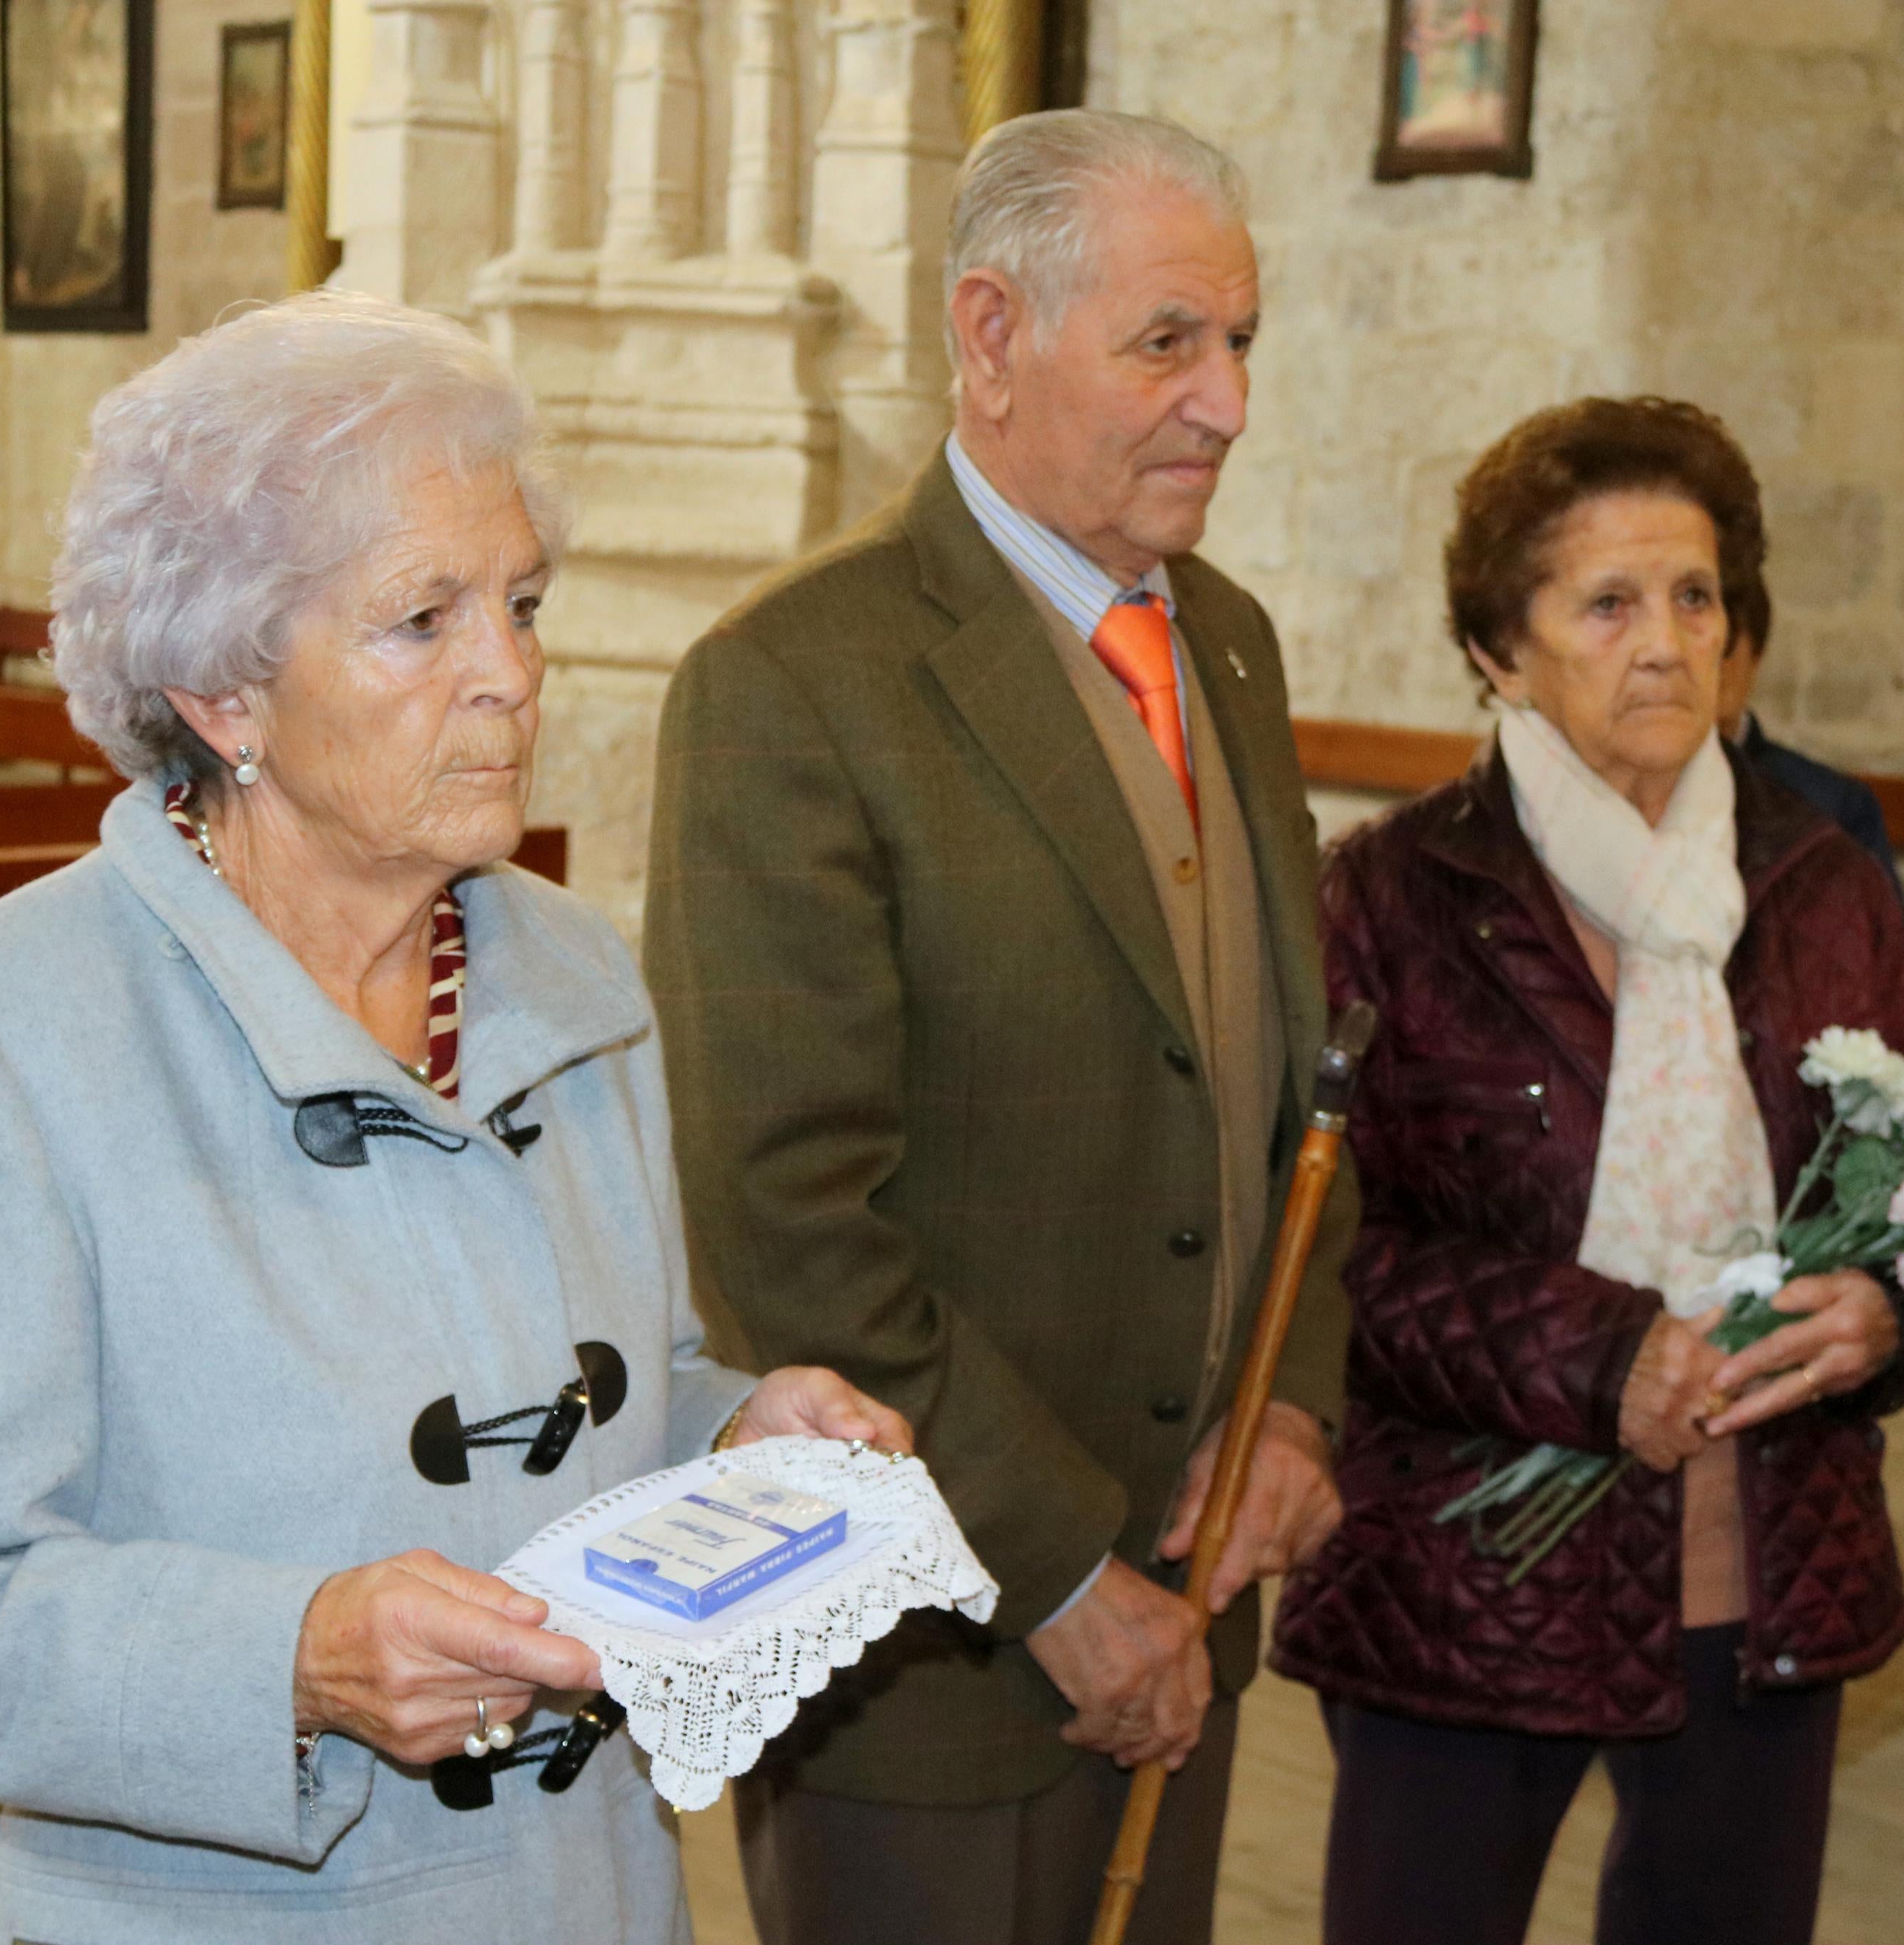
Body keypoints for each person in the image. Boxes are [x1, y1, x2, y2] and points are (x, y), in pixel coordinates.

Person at [0, 292, 911, 1945]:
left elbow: (617, 1389)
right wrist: (292, 1659)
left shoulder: (572, 975)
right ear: (223, 691)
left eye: (523, 604)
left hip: (579, 1894)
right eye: (423, 620)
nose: (511, 677)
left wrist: (731, 1434)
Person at [645, 108, 1353, 1945]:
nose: (1226, 403)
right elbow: (787, 1225)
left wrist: (1289, 1405)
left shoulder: (1233, 649)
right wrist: (1056, 1576)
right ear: (987, 334)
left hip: (1191, 1603)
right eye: (1166, 343)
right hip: (933, 1664)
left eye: (1241, 341)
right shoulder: (796, 683)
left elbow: (1298, 1090)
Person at [1268, 398, 1904, 1945]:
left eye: (1694, 597)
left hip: (1767, 1565)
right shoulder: (1388, 897)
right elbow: (1324, 1261)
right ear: (1497, 650)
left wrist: (1887, 1312)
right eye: (1605, 603)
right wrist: (1600, 1361)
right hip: (1460, 1581)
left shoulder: (1817, 881)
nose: (1661, 642)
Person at [1712, 572, 1904, 929]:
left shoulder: (1834, 805)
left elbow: (1888, 960)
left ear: (1756, 656)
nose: (1701, 664)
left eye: (1723, 646)